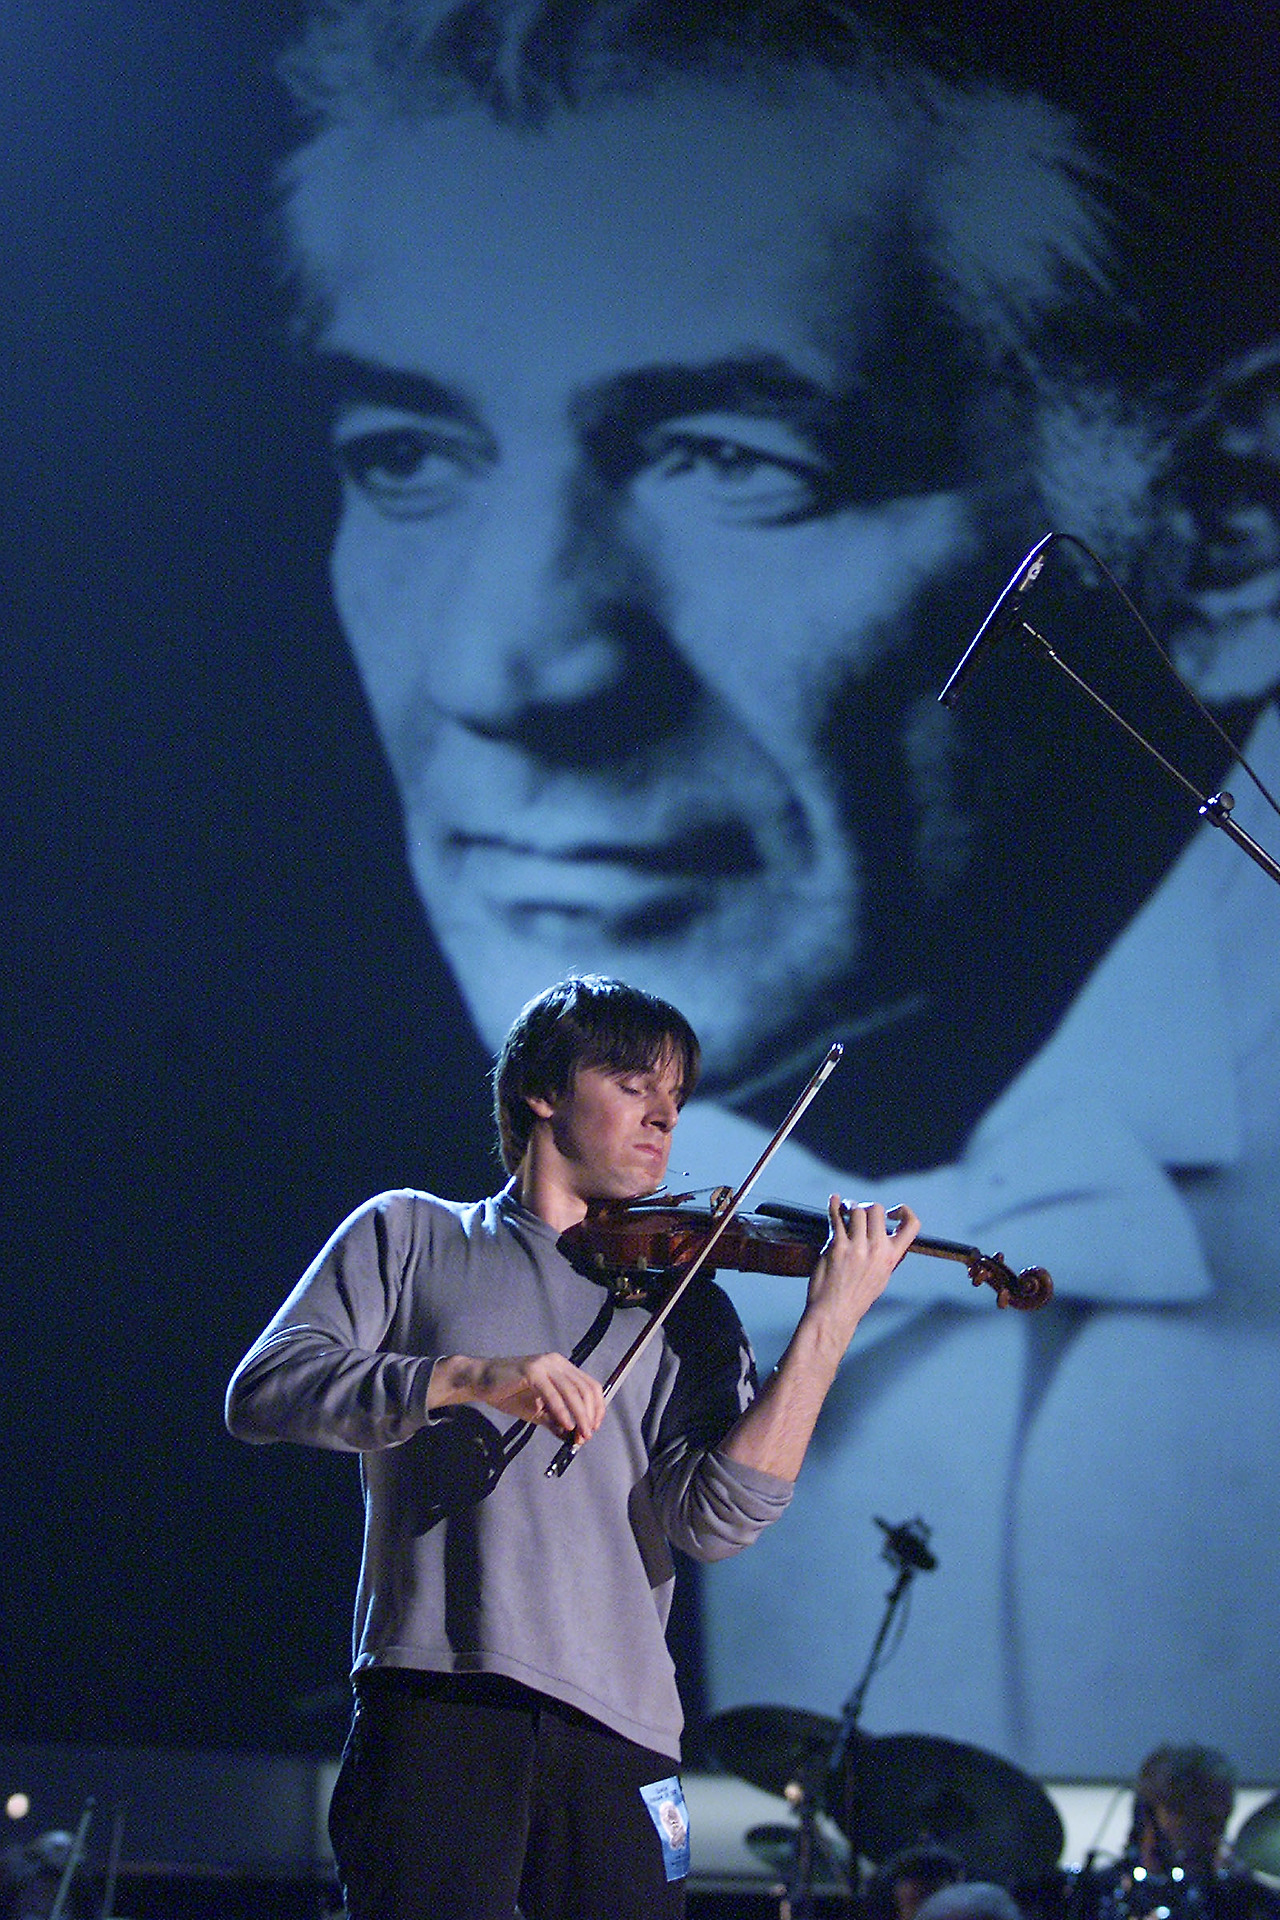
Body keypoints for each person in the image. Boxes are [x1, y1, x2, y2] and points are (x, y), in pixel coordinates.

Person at [265, 0, 1280, 1772]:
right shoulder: (465, 1259)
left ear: (1231, 518)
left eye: (732, 457)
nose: (508, 667)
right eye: (406, 454)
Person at [225, 973, 919, 1919]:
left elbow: (715, 1521)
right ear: (542, 1091)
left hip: (627, 1727)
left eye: (674, 1102)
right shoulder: (411, 1234)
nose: (663, 1121)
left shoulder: (688, 1305)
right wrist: (468, 1377)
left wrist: (829, 1324)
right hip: (440, 1696)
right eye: (635, 1087)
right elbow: (265, 1392)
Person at [1058, 1745, 1280, 1920]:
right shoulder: (1090, 1897)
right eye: (1202, 1820)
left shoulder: (1242, 1903)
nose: (1216, 1834)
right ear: (1155, 1812)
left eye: (1222, 1820)